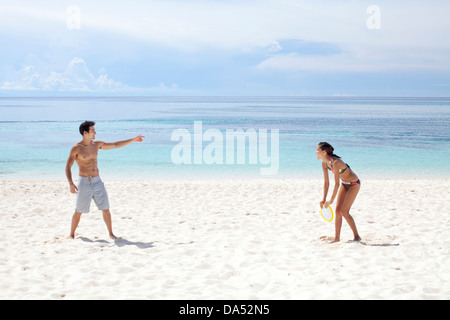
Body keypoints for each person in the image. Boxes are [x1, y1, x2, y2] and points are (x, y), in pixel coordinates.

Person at [65, 121, 144, 239]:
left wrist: (132, 140)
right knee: (79, 211)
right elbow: (68, 167)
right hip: (84, 182)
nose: (95, 132)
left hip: (97, 181)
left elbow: (115, 145)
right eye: (93, 131)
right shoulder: (76, 148)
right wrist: (71, 183)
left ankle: (111, 234)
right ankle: (71, 235)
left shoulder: (96, 145)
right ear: (85, 133)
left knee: (106, 209)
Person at [316, 142, 361, 243]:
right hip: (345, 184)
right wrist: (323, 199)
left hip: (354, 184)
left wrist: (331, 200)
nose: (315, 152)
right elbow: (326, 183)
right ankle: (337, 238)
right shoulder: (324, 163)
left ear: (324, 152)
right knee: (337, 211)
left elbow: (336, 184)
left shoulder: (335, 162)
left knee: (344, 211)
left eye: (317, 150)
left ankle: (357, 236)